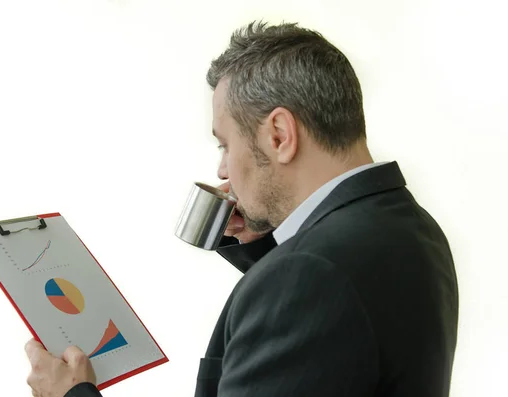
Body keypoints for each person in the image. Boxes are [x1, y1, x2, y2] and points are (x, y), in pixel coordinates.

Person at [24, 20, 459, 397]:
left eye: (225, 143)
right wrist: (280, 241)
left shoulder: (306, 277)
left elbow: (315, 294)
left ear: (279, 135)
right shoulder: (409, 225)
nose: (222, 166)